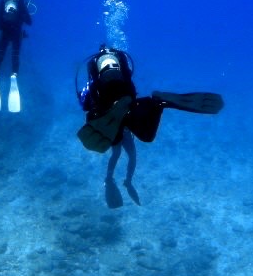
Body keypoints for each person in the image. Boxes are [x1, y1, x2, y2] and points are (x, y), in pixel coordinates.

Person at [76, 45, 224, 209]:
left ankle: (109, 179)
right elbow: (130, 87)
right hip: (128, 109)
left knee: (116, 152)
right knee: (140, 145)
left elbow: (85, 102)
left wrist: (94, 113)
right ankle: (156, 103)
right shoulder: (121, 65)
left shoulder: (94, 73)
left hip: (110, 118)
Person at [0, 0, 33, 113]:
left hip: (5, 33)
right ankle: (14, 75)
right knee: (15, 55)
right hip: (16, 33)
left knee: (0, 54)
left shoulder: (4, 2)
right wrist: (23, 8)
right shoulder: (21, 5)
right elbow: (29, 22)